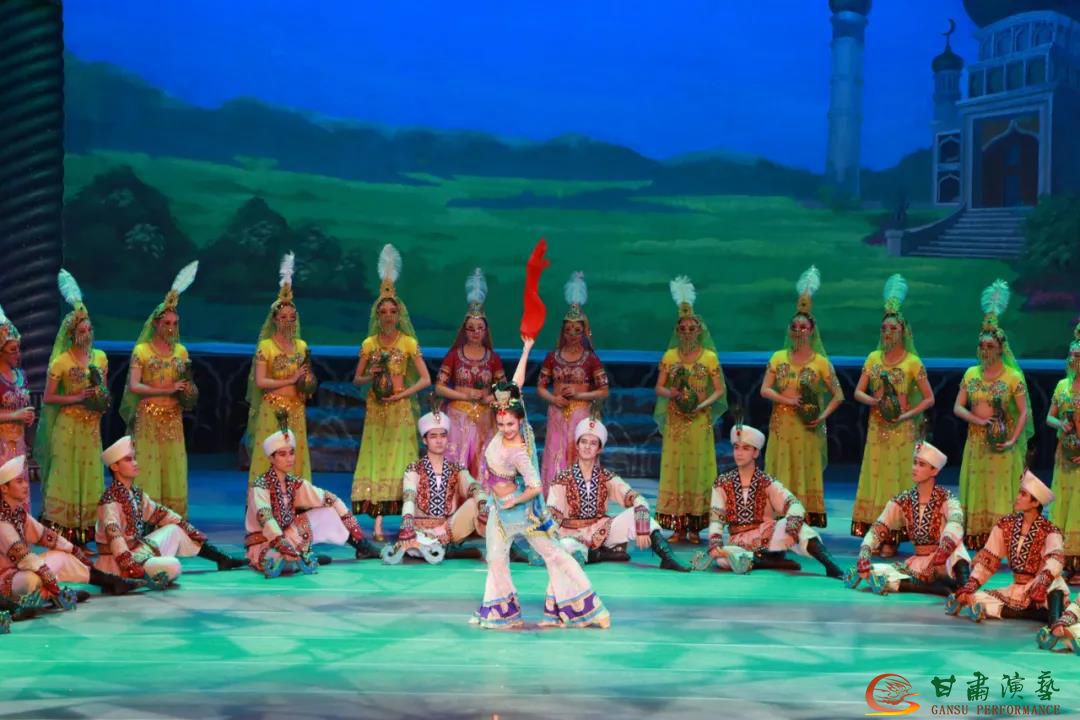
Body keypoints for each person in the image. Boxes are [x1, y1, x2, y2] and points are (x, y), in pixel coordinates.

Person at [352, 244, 431, 541]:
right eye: (383, 311)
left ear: (399, 314)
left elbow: (425, 379)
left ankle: (408, 520)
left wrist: (403, 394)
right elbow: (356, 379)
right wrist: (370, 375)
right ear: (377, 314)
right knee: (378, 460)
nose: (387, 316)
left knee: (401, 461)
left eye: (392, 311)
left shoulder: (408, 343)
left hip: (400, 409)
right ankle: (377, 523)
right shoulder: (369, 344)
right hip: (377, 408)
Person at [851, 275, 934, 555]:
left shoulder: (913, 362)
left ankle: (894, 536)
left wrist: (907, 414)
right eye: (884, 328)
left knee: (898, 478)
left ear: (903, 331)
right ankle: (877, 532)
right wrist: (874, 401)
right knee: (876, 477)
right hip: (878, 427)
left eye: (893, 328)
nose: (888, 332)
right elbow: (858, 392)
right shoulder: (873, 358)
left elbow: (929, 398)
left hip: (902, 430)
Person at [95, 436, 247, 586]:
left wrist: (188, 528)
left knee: (175, 530)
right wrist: (129, 565)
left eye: (134, 458)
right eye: (128, 460)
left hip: (137, 551)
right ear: (115, 467)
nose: (135, 463)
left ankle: (221, 558)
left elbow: (161, 514)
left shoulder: (135, 494)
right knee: (174, 566)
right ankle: (124, 580)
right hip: (118, 562)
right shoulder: (110, 500)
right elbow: (114, 535)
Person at [698, 423, 844, 578]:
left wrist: (792, 524)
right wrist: (715, 543)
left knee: (800, 527)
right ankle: (768, 561)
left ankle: (830, 564)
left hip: (769, 537)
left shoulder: (766, 481)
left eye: (746, 448)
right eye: (736, 448)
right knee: (723, 559)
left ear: (756, 453)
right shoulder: (722, 483)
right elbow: (716, 518)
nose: (739, 453)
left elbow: (793, 504)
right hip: (739, 543)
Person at [760, 266, 843, 528]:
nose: (799, 330)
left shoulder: (821, 363)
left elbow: (838, 395)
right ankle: (779, 517)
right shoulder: (778, 358)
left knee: (803, 469)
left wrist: (821, 417)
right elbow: (765, 389)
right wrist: (787, 401)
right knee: (781, 468)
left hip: (807, 428)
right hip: (782, 426)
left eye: (803, 327)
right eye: (795, 326)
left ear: (812, 330)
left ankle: (802, 521)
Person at [548, 417, 688, 571]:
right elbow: (552, 513)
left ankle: (667, 556)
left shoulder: (606, 477)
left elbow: (637, 498)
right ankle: (603, 555)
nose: (587, 447)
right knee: (565, 546)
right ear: (577, 445)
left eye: (593, 443)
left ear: (599, 449)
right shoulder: (562, 479)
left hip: (602, 532)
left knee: (637, 513)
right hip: (572, 535)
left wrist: (642, 525)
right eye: (584, 442)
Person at [952, 279, 1033, 548]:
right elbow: (958, 407)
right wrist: (978, 420)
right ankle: (977, 535)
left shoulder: (1012, 377)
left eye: (990, 346)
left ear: (1000, 348)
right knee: (978, 487)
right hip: (977, 442)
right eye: (982, 346)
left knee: (1000, 491)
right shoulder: (971, 374)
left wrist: (1012, 440)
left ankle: (1002, 540)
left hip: (1002, 444)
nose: (985, 351)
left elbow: (1023, 412)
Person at [247, 418, 379, 577]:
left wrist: (356, 532)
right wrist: (283, 545)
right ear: (271, 458)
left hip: (288, 536)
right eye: (282, 454)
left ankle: (362, 547)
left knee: (328, 512)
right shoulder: (261, 486)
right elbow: (266, 518)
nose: (289, 459)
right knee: (277, 562)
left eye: (291, 453)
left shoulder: (294, 483)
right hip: (265, 542)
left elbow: (330, 499)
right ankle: (300, 557)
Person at [1, 455, 137, 606]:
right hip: (6, 578)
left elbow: (45, 535)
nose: (26, 485)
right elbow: (23, 556)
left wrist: (73, 550)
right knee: (32, 579)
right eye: (19, 482)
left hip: (20, 570)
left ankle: (108, 581)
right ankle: (54, 596)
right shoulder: (2, 520)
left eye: (25, 481)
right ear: (4, 488)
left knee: (62, 556)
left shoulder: (18, 513)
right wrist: (45, 573)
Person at [119, 260, 199, 517]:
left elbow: (185, 383)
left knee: (173, 465)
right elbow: (134, 385)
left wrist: (188, 392)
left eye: (175, 323)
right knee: (148, 467)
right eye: (166, 323)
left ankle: (172, 519)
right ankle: (146, 517)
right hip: (149, 417)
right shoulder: (142, 351)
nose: (171, 328)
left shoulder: (181, 351)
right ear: (156, 324)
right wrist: (166, 389)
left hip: (173, 418)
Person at [36, 269, 109, 545]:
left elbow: (104, 393)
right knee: (66, 477)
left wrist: (100, 398)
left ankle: (87, 532)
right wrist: (78, 397)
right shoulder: (61, 362)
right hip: (67, 428)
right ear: (71, 333)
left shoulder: (100, 358)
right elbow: (49, 398)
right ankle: (63, 536)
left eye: (90, 330)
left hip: (91, 428)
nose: (87, 335)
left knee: (90, 477)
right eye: (82, 331)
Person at [654, 275, 727, 543]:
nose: (686, 332)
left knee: (697, 470)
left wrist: (701, 405)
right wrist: (672, 393)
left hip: (698, 421)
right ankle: (677, 526)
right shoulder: (670, 357)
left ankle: (695, 526)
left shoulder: (709, 358)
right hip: (676, 421)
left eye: (691, 328)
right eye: (682, 328)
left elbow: (719, 390)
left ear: (699, 331)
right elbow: (659, 387)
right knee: (676, 469)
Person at [847, 441, 971, 596]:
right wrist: (864, 553)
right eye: (914, 463)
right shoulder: (903, 499)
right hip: (918, 564)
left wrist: (945, 547)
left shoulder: (946, 497)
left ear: (934, 471)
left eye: (921, 465)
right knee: (875, 572)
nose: (914, 468)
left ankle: (965, 589)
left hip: (944, 560)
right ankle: (934, 589)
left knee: (957, 549)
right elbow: (878, 528)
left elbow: (956, 521)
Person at [947, 471, 1067, 624]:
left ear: (1035, 503)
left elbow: (1055, 559)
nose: (1017, 497)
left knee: (1056, 583)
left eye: (1023, 494)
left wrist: (1042, 582)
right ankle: (1036, 614)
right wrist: (970, 586)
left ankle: (1055, 623)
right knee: (977, 597)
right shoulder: (1006, 525)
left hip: (1038, 587)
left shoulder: (1049, 530)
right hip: (1015, 590)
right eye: (1019, 493)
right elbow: (988, 559)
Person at [381, 406, 487, 564]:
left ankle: (503, 545)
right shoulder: (414, 469)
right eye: (433, 436)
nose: (439, 441)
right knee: (414, 545)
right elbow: (409, 496)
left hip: (447, 529)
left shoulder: (456, 469)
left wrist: (482, 504)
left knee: (477, 502)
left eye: (443, 436)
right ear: (425, 440)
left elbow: (473, 486)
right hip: (420, 531)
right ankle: (445, 549)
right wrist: (407, 523)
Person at [245, 252, 317, 485]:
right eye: (283, 317)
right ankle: (266, 498)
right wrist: (290, 379)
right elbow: (261, 382)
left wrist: (306, 384)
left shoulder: (302, 346)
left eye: (292, 317)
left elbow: (305, 379)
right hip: (272, 409)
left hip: (296, 408)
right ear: (275, 320)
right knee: (271, 456)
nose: (288, 321)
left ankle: (296, 499)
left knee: (294, 457)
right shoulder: (266, 346)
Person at [536, 272, 610, 493]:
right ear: (563, 331)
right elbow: (541, 387)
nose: (572, 334)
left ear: (584, 332)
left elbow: (604, 390)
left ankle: (580, 497)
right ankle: (554, 499)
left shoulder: (591, 359)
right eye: (568, 330)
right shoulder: (552, 357)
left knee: (579, 453)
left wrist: (579, 396)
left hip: (581, 413)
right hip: (557, 412)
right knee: (555, 453)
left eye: (577, 330)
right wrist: (554, 399)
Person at [434, 268, 506, 480]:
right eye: (471, 328)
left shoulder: (493, 358)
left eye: (479, 328)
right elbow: (439, 387)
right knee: (457, 460)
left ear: (485, 330)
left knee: (482, 462)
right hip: (458, 416)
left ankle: (481, 498)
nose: (475, 332)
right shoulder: (454, 356)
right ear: (464, 330)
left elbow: (505, 390)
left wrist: (488, 398)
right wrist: (465, 396)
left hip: (484, 417)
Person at [1047, 323, 1080, 582]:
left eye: (1078, 356)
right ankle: (1064, 560)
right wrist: (1061, 424)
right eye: (1071, 355)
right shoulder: (1062, 386)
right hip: (1065, 456)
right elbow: (1050, 417)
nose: (1073, 359)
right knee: (1063, 505)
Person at [0, 304, 33, 513]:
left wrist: (27, 415)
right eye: (12, 350)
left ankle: (21, 528)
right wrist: (15, 415)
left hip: (19, 443)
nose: (17, 354)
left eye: (18, 349)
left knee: (20, 487)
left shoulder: (21, 375)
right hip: (1, 444)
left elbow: (23, 404)